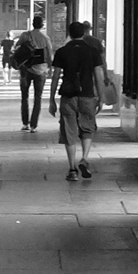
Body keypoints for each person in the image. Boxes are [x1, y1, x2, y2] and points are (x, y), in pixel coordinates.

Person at [49, 20, 111, 180]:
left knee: (69, 131)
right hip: (87, 95)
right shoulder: (92, 52)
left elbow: (55, 77)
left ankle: (72, 169)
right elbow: (98, 75)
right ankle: (84, 158)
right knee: (87, 128)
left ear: (69, 33)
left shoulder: (62, 52)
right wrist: (101, 97)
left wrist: (51, 99)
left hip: (68, 96)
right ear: (83, 33)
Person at [12, 15, 53, 131]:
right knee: (38, 97)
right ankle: (33, 125)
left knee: (24, 96)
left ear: (33, 24)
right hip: (40, 71)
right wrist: (50, 69)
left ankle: (25, 123)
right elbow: (49, 56)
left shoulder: (25, 35)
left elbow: (17, 47)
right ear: (42, 25)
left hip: (26, 69)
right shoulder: (45, 38)